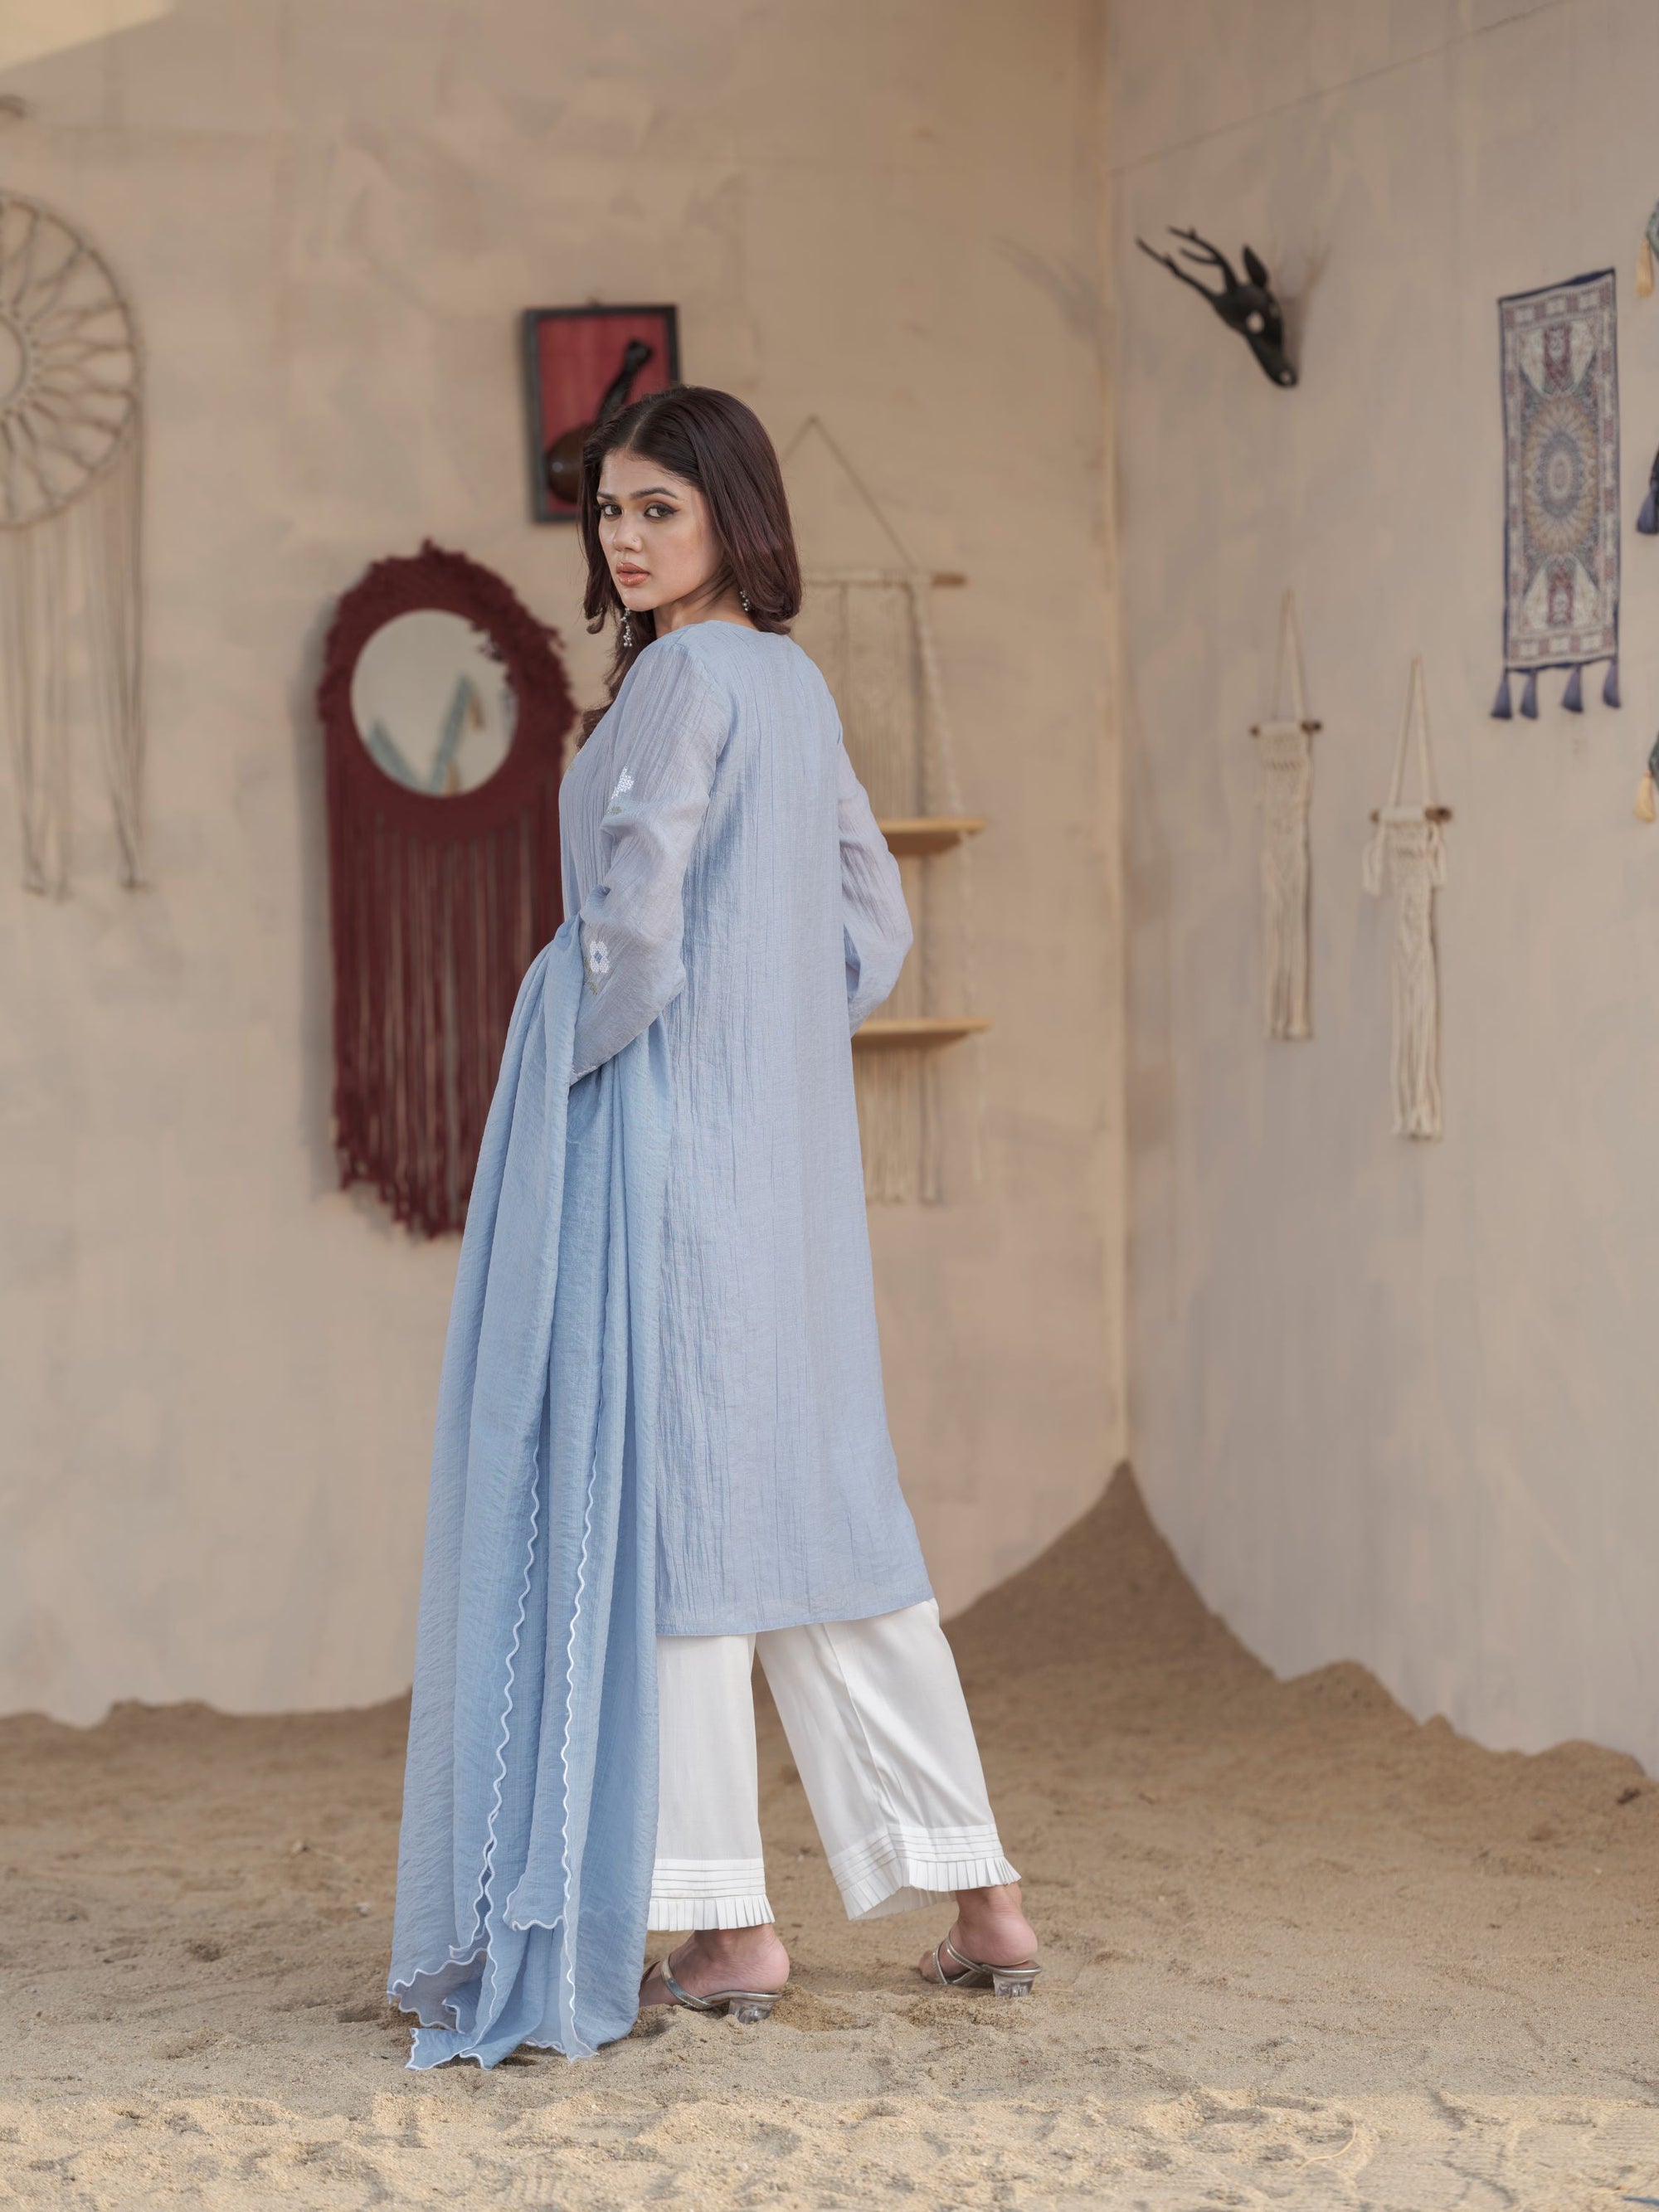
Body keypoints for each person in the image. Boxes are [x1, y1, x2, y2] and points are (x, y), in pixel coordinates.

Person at [558, 386, 1038, 2017]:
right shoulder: (793, 677)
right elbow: (870, 919)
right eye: (611, 510)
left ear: (731, 517)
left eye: (658, 510)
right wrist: (773, 1037)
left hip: (680, 1159)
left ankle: (725, 1928)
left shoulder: (681, 678)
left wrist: (574, 1064)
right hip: (794, 1172)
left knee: (689, 1527)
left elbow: (632, 929)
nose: (626, 539)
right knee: (830, 1522)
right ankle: (985, 1900)